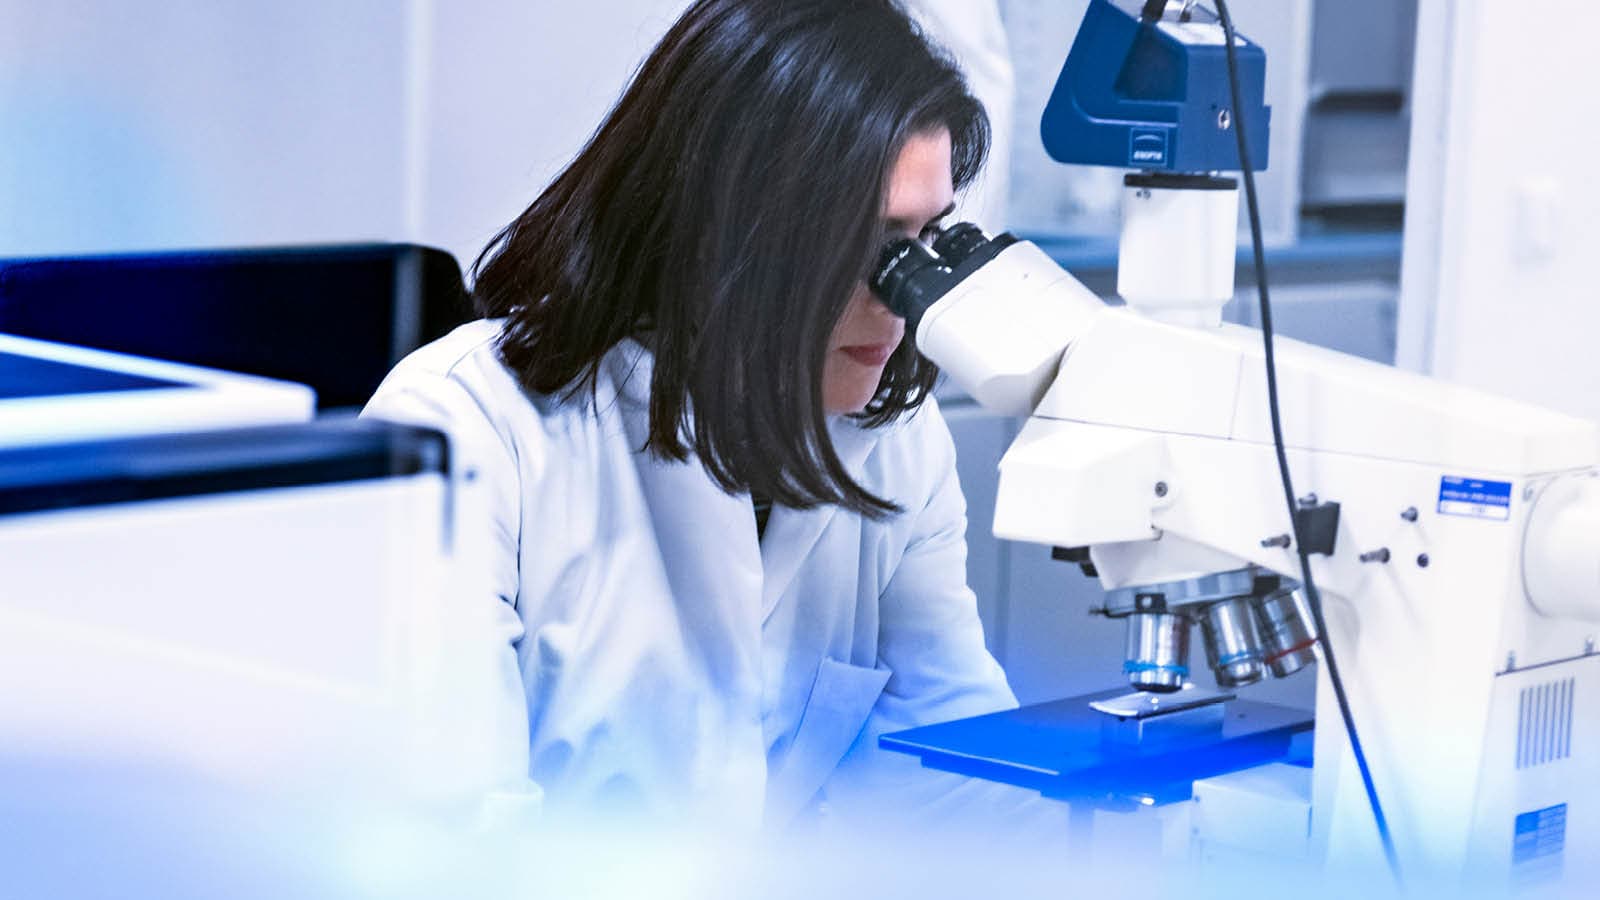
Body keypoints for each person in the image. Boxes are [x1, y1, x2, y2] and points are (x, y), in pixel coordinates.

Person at [364, 0, 1029, 830]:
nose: (903, 300)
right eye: (869, 245)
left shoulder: (896, 441)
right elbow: (454, 835)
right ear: (733, 232)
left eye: (925, 241)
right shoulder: (465, 430)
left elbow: (961, 776)